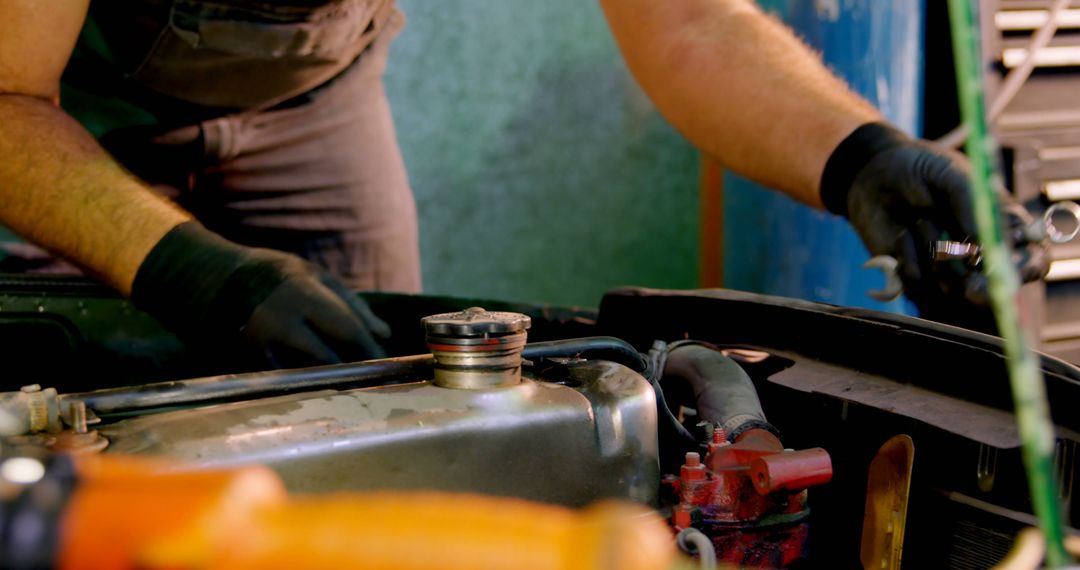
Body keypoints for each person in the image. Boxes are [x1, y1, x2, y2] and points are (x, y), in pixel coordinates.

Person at [0, 0, 1041, 368]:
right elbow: (8, 100)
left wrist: (855, 155)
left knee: (374, 393)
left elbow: (686, 22)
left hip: (315, 105)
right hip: (66, 114)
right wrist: (192, 272)